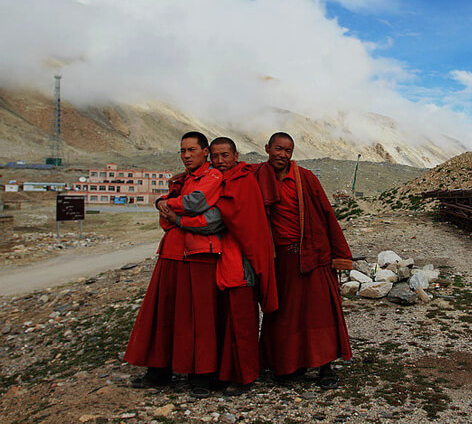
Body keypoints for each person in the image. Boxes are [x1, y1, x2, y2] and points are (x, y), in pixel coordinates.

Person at [124, 131, 224, 398]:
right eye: (182, 151)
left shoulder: (213, 177)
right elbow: (165, 221)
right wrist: (168, 208)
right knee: (164, 313)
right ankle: (159, 370)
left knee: (200, 317)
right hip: (171, 253)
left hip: (200, 255)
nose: (187, 155)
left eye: (192, 150)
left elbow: (196, 206)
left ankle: (201, 374)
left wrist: (166, 204)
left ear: (206, 152)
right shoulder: (180, 181)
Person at [253, 132, 353, 389]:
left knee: (319, 314)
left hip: (312, 254)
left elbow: (326, 213)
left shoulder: (305, 177)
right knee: (282, 315)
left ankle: (325, 367)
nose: (283, 155)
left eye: (288, 151)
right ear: (267, 148)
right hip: (279, 260)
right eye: (278, 149)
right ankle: (288, 366)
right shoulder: (256, 175)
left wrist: (338, 253)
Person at [207, 137, 277, 395]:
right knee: (225, 322)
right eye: (215, 156)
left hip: (243, 263)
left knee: (242, 323)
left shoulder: (243, 181)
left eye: (225, 155)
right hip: (224, 260)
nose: (220, 161)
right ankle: (227, 372)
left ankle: (246, 376)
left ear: (236, 156)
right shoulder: (218, 180)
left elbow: (220, 220)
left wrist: (177, 217)